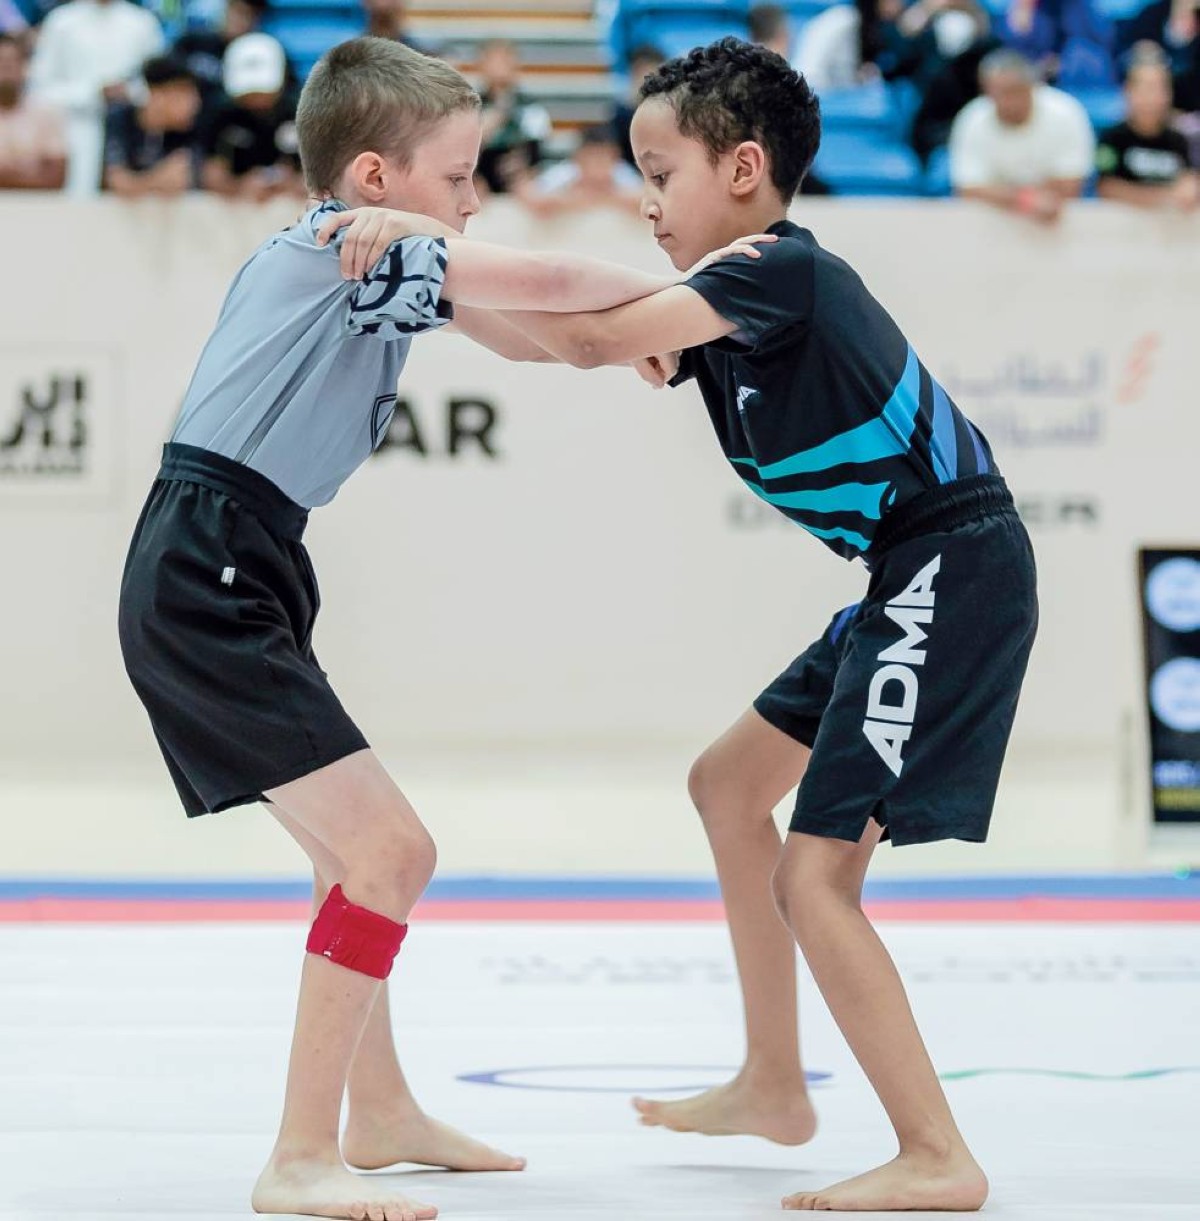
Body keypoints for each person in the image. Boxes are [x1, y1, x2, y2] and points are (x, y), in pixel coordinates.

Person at [371, 35, 1037, 1212]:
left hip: (955, 565)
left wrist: (427, 252)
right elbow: (566, 343)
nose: (645, 202)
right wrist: (423, 291)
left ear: (743, 169)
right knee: (729, 788)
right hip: (907, 572)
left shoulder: (778, 272)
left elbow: (588, 334)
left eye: (660, 173)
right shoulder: (732, 308)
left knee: (815, 878)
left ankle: (938, 1152)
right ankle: (775, 1084)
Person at [117, 34, 756, 1220]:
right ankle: (297, 1156)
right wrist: (717, 288)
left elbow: (544, 331)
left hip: (245, 556)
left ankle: (379, 1112)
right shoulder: (337, 243)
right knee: (392, 855)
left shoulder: (378, 261)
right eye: (458, 178)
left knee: (345, 858)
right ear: (375, 179)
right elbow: (550, 282)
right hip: (208, 563)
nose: (472, 200)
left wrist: (644, 334)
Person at [26, 0, 164, 195]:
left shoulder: (142, 22)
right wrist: (93, 93)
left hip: (131, 134)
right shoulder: (61, 21)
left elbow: (159, 85)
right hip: (75, 127)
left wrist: (129, 92)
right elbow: (40, 88)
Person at [949, 47, 1095, 220]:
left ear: (1032, 86)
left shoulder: (1066, 113)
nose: (1004, 101)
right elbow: (967, 189)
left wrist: (999, 194)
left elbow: (1070, 185)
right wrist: (1025, 200)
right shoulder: (972, 118)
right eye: (995, 92)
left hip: (1059, 222)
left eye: (1012, 91)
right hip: (992, 222)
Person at [201, 32, 303, 201]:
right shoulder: (219, 116)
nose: (257, 99)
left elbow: (322, 178)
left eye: (263, 91)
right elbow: (211, 175)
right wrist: (240, 186)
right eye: (249, 92)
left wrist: (291, 185)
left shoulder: (301, 113)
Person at [1097, 47, 1199, 209]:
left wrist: (1189, 188)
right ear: (1128, 91)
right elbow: (1106, 187)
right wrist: (1164, 196)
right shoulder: (1112, 137)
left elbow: (1189, 184)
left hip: (1168, 222)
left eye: (1159, 88)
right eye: (1145, 88)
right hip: (1122, 220)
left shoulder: (1179, 140)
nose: (1151, 97)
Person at [103, 54, 204, 197]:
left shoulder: (189, 131)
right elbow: (116, 182)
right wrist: (157, 179)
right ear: (157, 94)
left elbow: (183, 182)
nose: (195, 103)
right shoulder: (120, 119)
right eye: (185, 93)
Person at [515, 122, 643, 217]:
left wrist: (609, 197)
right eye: (593, 161)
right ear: (579, 159)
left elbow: (647, 198)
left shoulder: (621, 173)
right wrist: (569, 200)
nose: (598, 171)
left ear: (615, 158)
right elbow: (526, 193)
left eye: (604, 161)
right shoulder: (565, 173)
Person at [474, 37, 551, 193]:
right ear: (481, 65)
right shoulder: (470, 105)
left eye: (504, 61)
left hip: (519, 178)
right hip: (478, 177)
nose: (498, 67)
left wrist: (524, 174)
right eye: (492, 61)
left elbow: (536, 151)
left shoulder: (530, 106)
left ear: (515, 65)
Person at [0, 31, 67, 189]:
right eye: (0, 62)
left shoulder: (47, 112)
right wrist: (25, 176)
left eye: (11, 62)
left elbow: (55, 179)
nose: (6, 69)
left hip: (35, 202)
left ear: (25, 67)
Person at [610, 41, 665, 168]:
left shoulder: (672, 113)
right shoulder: (621, 114)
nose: (647, 81)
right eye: (642, 73)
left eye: (652, 74)